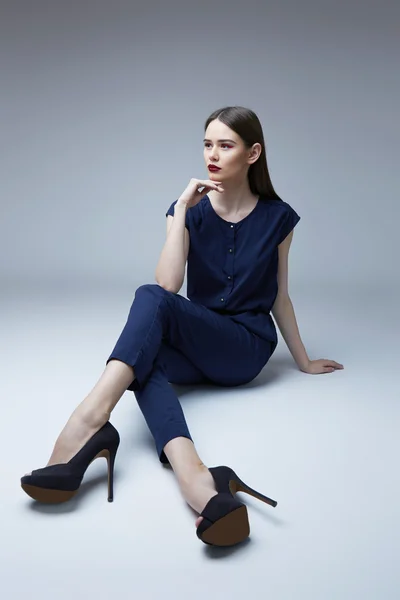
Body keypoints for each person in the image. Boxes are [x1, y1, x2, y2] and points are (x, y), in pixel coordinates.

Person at [20, 105, 344, 547]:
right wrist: (180, 212)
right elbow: (171, 282)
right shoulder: (188, 210)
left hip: (244, 349)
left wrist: (302, 361)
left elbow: (279, 297)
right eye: (207, 144)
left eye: (225, 145)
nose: (212, 154)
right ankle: (197, 480)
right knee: (143, 361)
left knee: (149, 306)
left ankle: (89, 422)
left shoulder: (277, 218)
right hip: (199, 340)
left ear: (253, 154)